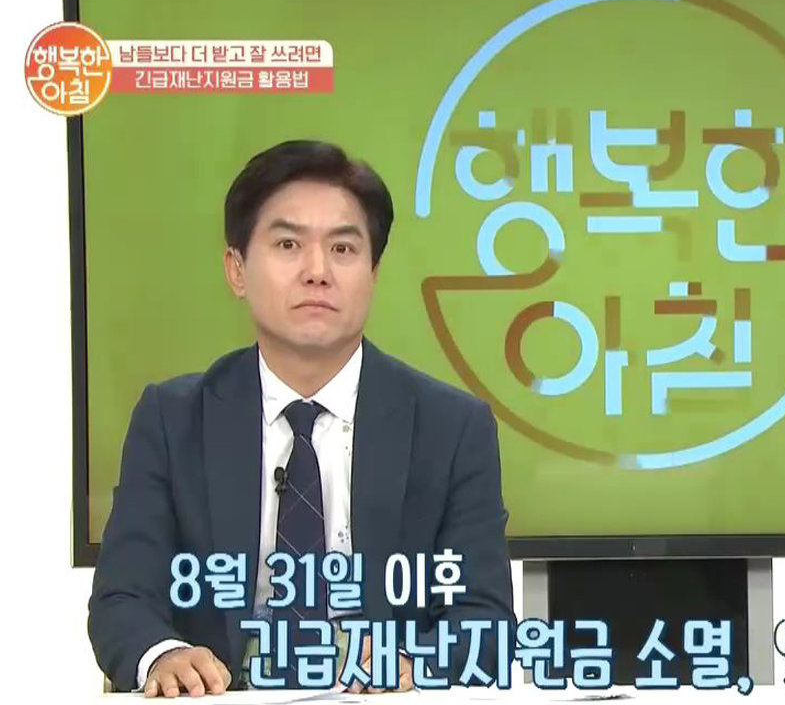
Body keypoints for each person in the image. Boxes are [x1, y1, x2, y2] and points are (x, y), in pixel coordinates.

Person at [88, 140, 516, 696]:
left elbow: (485, 619)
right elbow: (122, 599)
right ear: (237, 270)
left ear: (373, 272)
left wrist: (418, 660)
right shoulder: (172, 421)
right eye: (288, 244)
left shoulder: (452, 427)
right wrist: (164, 655)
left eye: (343, 249)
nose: (318, 271)